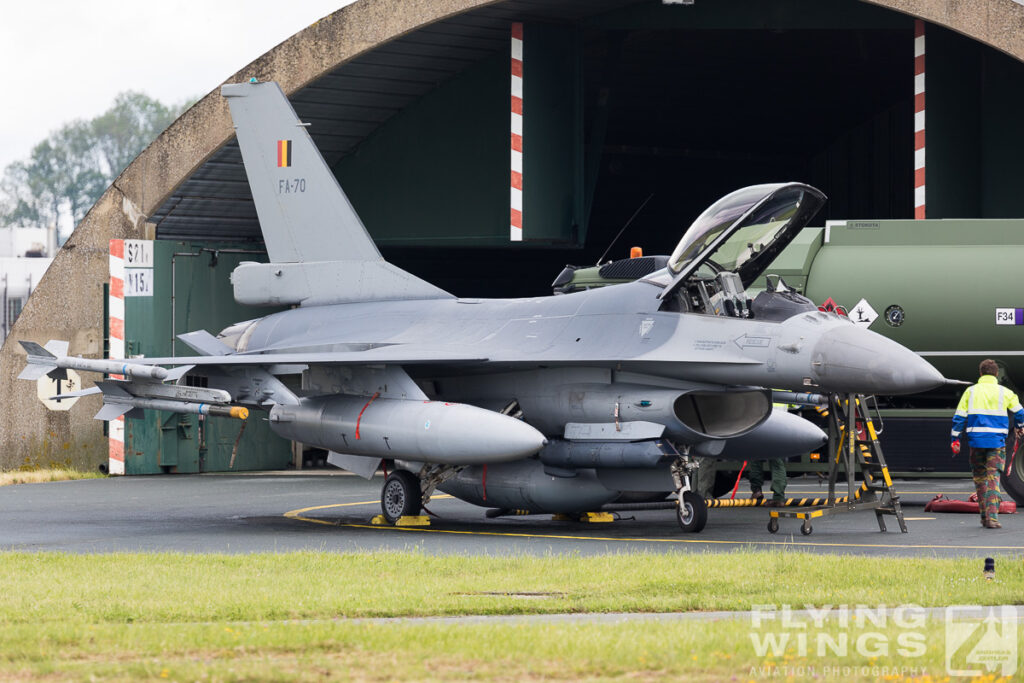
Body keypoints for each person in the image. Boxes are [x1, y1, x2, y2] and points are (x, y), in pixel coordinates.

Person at [951, 359, 1024, 529]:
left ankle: (984, 517)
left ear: (981, 373)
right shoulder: (1004, 392)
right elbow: (1020, 411)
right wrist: (1019, 428)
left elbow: (959, 417)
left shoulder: (971, 391)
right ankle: (992, 518)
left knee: (980, 479)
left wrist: (955, 439)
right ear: (996, 374)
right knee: (993, 479)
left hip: (976, 443)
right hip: (996, 443)